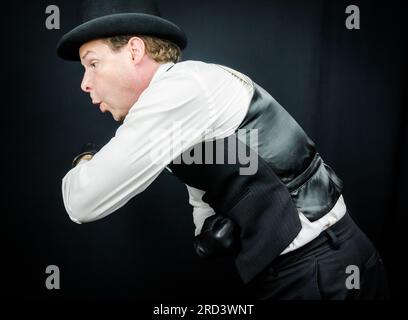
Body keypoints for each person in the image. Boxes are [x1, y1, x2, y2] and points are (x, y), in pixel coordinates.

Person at [58, 0, 389, 299]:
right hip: (318, 265)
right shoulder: (183, 103)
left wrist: (85, 160)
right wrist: (207, 228)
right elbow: (202, 189)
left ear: (133, 50)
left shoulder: (180, 90)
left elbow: (81, 202)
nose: (85, 83)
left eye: (93, 63)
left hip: (319, 271)